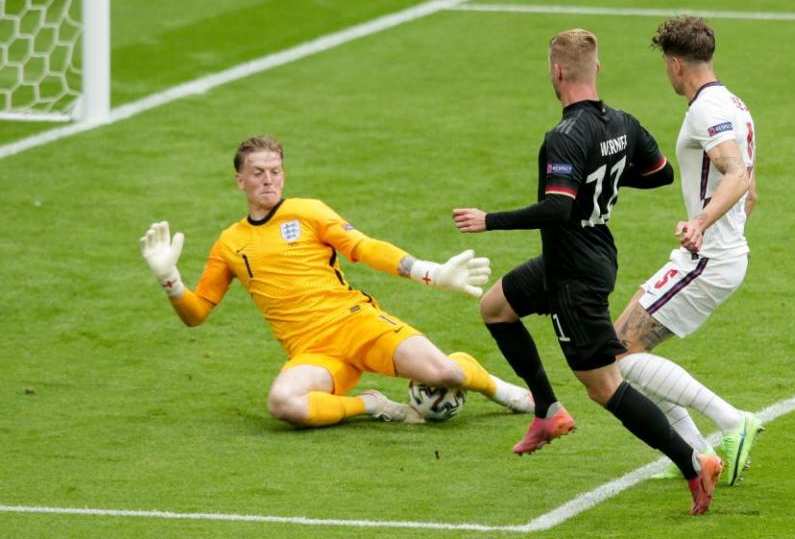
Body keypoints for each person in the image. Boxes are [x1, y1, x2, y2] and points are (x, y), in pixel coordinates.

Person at [453, 29, 722, 515]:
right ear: (595, 69)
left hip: (574, 273)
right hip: (586, 254)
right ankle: (547, 410)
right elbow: (660, 172)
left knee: (604, 386)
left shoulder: (564, 135)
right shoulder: (622, 122)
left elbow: (557, 209)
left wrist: (488, 220)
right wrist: (612, 172)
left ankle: (692, 461)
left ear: (557, 72)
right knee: (495, 308)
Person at [139, 134, 533, 428]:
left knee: (446, 374)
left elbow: (364, 247)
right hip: (312, 352)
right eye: (257, 173)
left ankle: (498, 389)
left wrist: (429, 272)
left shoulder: (307, 212)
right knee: (283, 404)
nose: (268, 180)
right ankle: (374, 405)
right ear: (240, 180)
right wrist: (169, 278)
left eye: (275, 171)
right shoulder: (230, 243)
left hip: (356, 322)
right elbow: (197, 313)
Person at [613, 15, 763, 486]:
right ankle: (698, 457)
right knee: (626, 348)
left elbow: (736, 175)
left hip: (709, 260)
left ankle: (730, 422)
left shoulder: (707, 109)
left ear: (676, 65)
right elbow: (750, 191)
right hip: (716, 255)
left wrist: (702, 224)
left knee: (616, 353)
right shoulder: (735, 104)